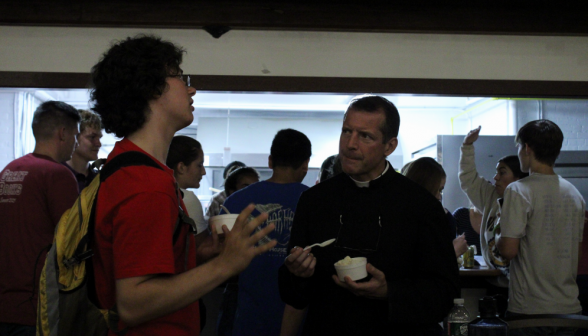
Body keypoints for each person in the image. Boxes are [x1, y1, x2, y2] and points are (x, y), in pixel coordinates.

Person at [90, 34, 276, 335]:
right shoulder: (145, 183)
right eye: (179, 77)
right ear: (150, 88)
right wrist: (226, 265)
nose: (191, 88)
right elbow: (134, 303)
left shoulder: (132, 164)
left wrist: (198, 257)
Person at [278, 95, 459, 335]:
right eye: (346, 131)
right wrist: (297, 274)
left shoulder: (421, 205)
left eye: (365, 136)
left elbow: (445, 293)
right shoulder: (316, 200)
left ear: (389, 146)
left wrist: (389, 292)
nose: (350, 144)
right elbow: (295, 296)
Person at [497, 120, 585, 335]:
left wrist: (499, 233)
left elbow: (508, 250)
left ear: (527, 148)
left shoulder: (518, 190)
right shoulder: (575, 194)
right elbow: (578, 252)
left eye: (519, 147)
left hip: (530, 311)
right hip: (570, 309)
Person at [0, 101, 80, 336]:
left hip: (5, 304)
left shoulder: (10, 170)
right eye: (75, 136)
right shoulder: (58, 175)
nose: (76, 144)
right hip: (37, 308)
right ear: (63, 134)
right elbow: (72, 244)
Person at [221, 128, 311, 336]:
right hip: (300, 321)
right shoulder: (318, 202)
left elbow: (220, 257)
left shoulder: (235, 202)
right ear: (306, 164)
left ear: (270, 161)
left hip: (248, 318)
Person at [459, 126, 528, 285]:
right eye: (496, 172)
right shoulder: (492, 197)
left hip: (521, 285)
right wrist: (467, 146)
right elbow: (469, 179)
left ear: (518, 178)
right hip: (494, 280)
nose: (495, 177)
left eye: (502, 172)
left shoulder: (528, 201)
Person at [215, 166, 260, 336]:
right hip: (235, 287)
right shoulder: (226, 215)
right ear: (231, 191)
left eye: (255, 186)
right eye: (245, 186)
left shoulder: (261, 215)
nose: (251, 191)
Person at [402, 157, 469, 257]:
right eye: (436, 190)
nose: (439, 196)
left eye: (441, 190)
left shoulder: (440, 216)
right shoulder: (405, 222)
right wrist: (453, 252)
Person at [63, 109, 103, 192]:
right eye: (92, 137)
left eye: (99, 138)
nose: (98, 144)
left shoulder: (99, 180)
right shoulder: (57, 175)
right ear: (74, 137)